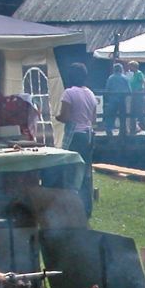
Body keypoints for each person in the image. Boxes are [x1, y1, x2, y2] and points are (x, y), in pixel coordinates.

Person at [55, 62, 97, 217]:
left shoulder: (69, 93)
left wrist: (57, 116)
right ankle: (86, 208)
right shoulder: (90, 93)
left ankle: (71, 207)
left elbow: (65, 116)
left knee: (72, 171)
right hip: (88, 134)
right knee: (86, 172)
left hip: (76, 135)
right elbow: (93, 118)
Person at [126, 61, 145, 135]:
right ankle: (133, 129)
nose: (129, 68)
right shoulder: (132, 74)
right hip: (133, 95)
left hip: (139, 94)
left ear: (134, 67)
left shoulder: (139, 73)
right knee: (132, 112)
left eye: (130, 66)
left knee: (140, 113)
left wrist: (143, 92)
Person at [103, 62, 130, 136]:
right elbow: (129, 90)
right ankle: (122, 131)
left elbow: (107, 89)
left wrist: (107, 98)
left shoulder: (111, 78)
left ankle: (109, 130)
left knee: (111, 116)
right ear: (121, 69)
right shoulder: (125, 78)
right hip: (122, 99)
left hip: (113, 99)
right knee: (122, 116)